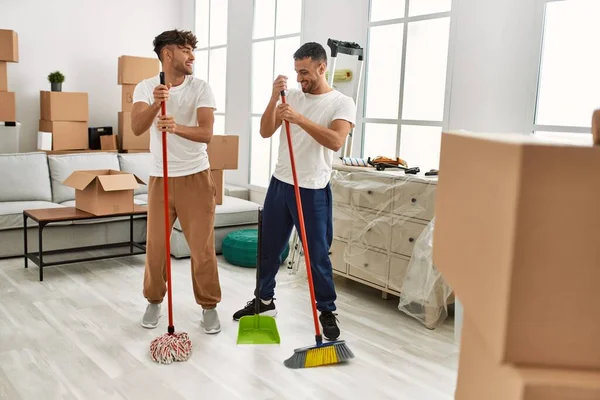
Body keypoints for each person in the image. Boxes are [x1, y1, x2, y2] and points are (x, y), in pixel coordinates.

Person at [232, 42, 356, 341]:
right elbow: (265, 130)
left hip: (312, 188)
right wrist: (275, 96)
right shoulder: (292, 97)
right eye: (297, 71)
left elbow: (336, 141)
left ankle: (326, 310)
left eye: (305, 71)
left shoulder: (341, 102)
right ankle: (264, 301)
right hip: (280, 183)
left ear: (321, 67)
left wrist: (299, 119)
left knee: (317, 255)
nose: (300, 78)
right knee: (269, 249)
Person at [131, 29, 222, 334]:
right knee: (156, 246)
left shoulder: (201, 88)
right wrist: (157, 104)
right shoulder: (145, 87)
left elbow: (207, 133)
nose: (192, 56)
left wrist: (177, 127)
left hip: (195, 177)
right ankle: (154, 301)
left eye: (192, 51)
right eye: (186, 50)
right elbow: (136, 127)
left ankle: (209, 306)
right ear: (168, 54)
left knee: (202, 248)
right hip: (161, 177)